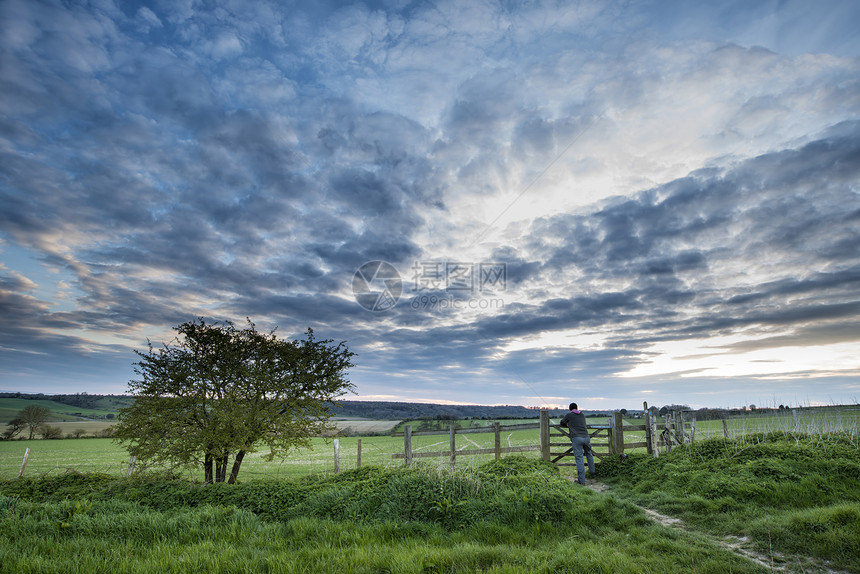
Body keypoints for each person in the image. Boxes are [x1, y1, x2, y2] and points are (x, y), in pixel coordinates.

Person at [559, 402, 595, 485]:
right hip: (586, 437)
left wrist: (567, 424)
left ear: (570, 409)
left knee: (579, 458)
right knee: (589, 454)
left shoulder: (569, 415)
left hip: (576, 438)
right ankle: (593, 473)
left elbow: (562, 422)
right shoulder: (582, 415)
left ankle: (581, 481)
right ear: (577, 408)